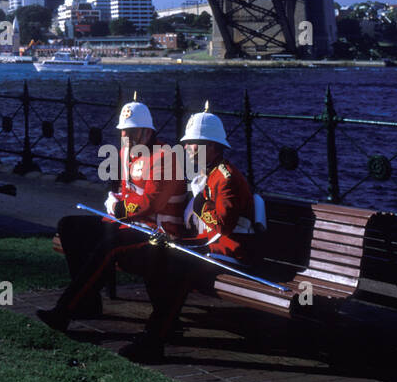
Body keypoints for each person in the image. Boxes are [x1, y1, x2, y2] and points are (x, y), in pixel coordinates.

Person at [120, 106, 260, 363]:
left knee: (180, 265)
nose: (186, 149)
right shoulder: (207, 173)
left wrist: (199, 205)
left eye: (193, 144)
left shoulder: (225, 178)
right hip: (211, 245)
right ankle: (162, 329)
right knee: (158, 251)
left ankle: (154, 339)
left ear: (212, 147)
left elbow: (223, 226)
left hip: (232, 250)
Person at [37, 97, 189, 330]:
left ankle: (64, 311)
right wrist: (114, 198)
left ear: (147, 132)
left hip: (160, 233)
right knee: (69, 226)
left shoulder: (165, 157)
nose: (125, 137)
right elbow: (124, 191)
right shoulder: (126, 154)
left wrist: (119, 208)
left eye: (131, 132)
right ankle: (88, 302)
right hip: (133, 226)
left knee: (108, 244)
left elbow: (151, 204)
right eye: (123, 132)